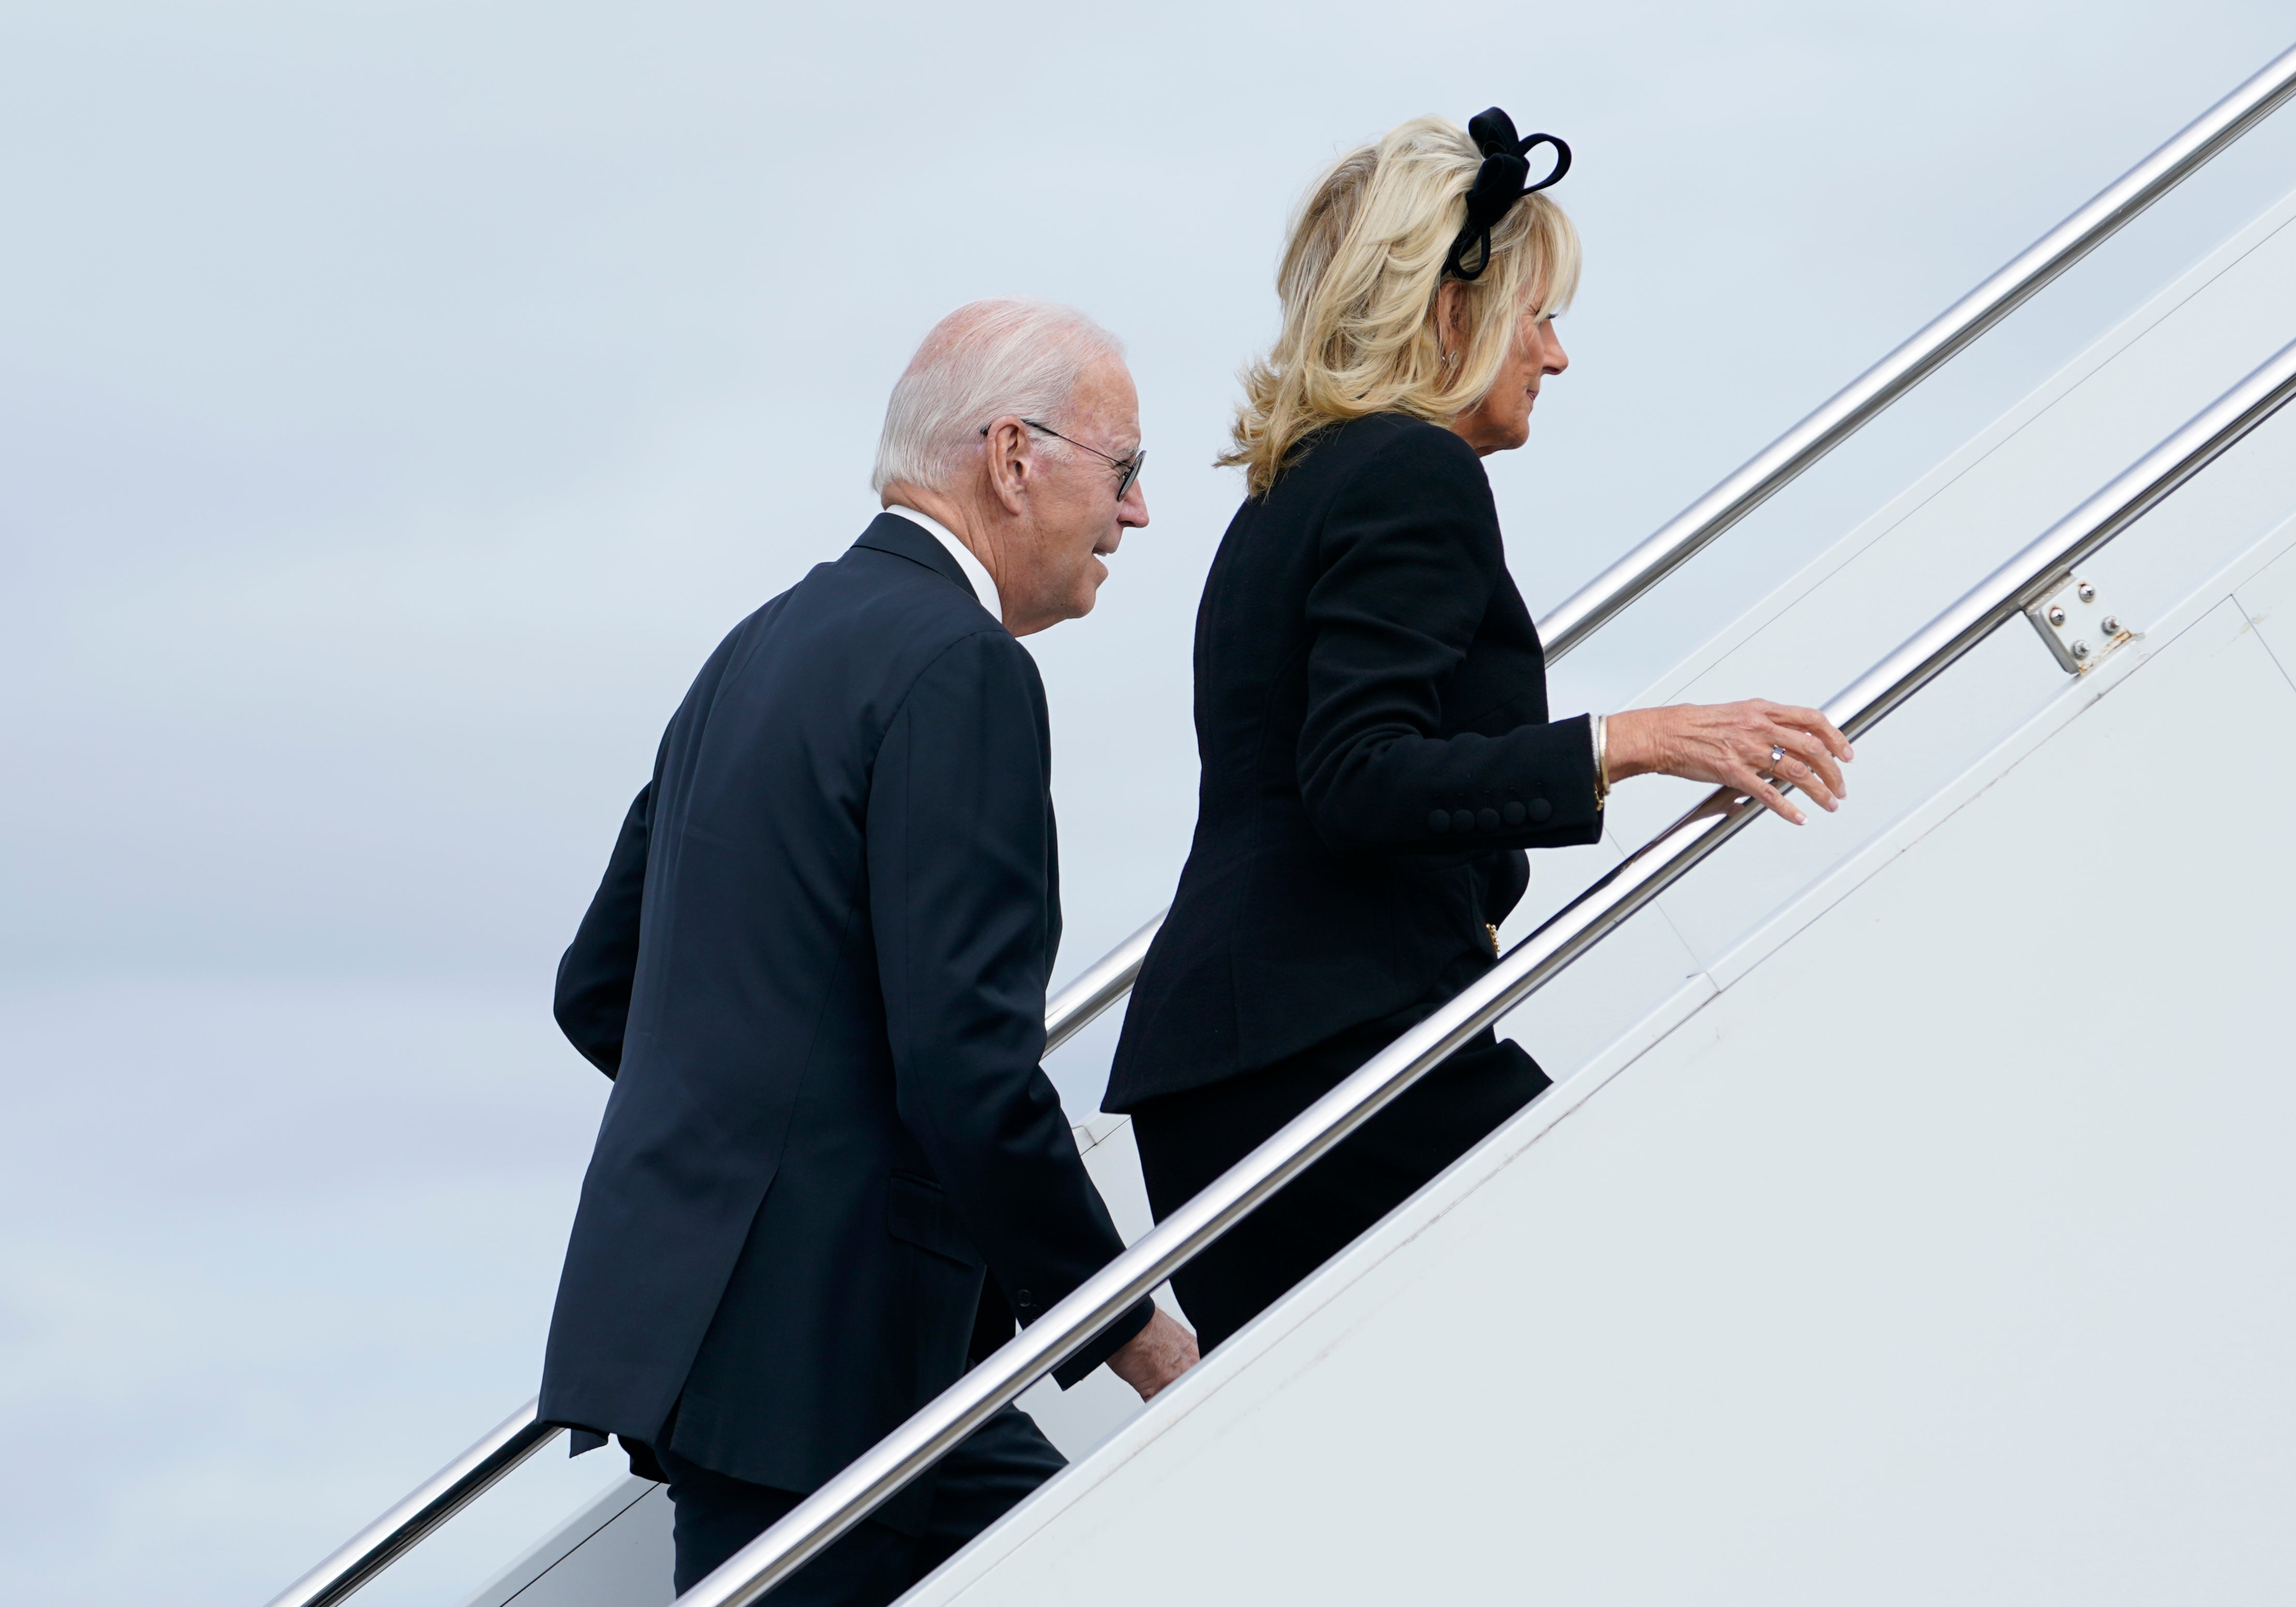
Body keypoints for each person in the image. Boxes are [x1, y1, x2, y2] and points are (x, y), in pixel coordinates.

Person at [1104, 110, 1855, 1352]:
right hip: (1329, 1062)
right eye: (1539, 315)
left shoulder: (1288, 497)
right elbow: (1357, 776)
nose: (1555, 357)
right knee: (1644, 1333)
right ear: (1451, 316)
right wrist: (1632, 741)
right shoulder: (1413, 472)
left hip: (1225, 1076)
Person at [537, 298, 1199, 1606]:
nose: (1137, 516)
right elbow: (965, 1067)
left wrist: (764, 1165)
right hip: (831, 1359)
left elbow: (600, 990)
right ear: (1015, 459)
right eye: (1125, 472)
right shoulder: (962, 669)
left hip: (761, 1355)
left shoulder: (759, 648)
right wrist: (1132, 1328)